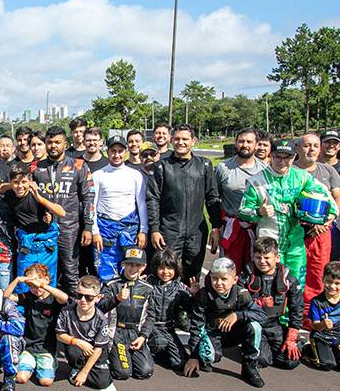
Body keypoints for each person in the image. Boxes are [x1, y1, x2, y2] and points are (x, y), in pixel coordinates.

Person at [238, 139, 336, 286]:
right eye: (278, 156)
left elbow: (328, 198)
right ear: (271, 156)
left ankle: (296, 309)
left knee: (297, 284)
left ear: (294, 157)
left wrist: (328, 216)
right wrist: (259, 211)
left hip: (296, 243)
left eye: (287, 157)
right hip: (269, 244)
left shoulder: (302, 177)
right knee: (272, 285)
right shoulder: (256, 181)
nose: (282, 161)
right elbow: (242, 211)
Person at [147, 124, 222, 283]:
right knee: (167, 273)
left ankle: (189, 306)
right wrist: (154, 229)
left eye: (185, 139)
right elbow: (153, 199)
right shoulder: (161, 166)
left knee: (193, 276)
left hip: (196, 231)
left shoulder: (205, 165)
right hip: (169, 230)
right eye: (177, 139)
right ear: (171, 140)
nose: (181, 142)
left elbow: (212, 198)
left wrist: (216, 227)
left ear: (193, 141)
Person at [184, 257, 267, 388]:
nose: (218, 283)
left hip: (233, 334)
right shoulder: (204, 295)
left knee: (254, 326)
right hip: (213, 334)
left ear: (234, 280)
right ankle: (205, 358)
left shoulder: (242, 294)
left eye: (224, 279)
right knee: (208, 356)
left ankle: (250, 368)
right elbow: (196, 325)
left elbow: (262, 316)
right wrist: (193, 356)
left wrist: (237, 315)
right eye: (215, 278)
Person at [34, 126, 93, 294]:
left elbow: (88, 198)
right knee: (44, 272)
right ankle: (46, 313)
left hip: (69, 228)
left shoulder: (79, 165)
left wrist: (88, 226)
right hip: (44, 229)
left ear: (66, 144)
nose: (53, 146)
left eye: (57, 142)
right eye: (50, 142)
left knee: (70, 272)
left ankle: (73, 310)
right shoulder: (36, 168)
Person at [294, 132, 340, 321]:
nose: (311, 149)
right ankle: (290, 313)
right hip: (295, 231)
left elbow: (338, 201)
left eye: (315, 145)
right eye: (307, 145)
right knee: (292, 272)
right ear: (298, 149)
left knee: (317, 273)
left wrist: (326, 222)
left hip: (321, 232)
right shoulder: (289, 171)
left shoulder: (328, 171)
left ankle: (311, 315)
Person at [239, 237, 302, 371]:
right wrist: (257, 303)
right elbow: (236, 304)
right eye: (258, 257)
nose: (262, 262)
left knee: (290, 362)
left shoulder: (288, 279)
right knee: (263, 360)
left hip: (275, 325)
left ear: (277, 257)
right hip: (254, 325)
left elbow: (297, 310)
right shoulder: (246, 277)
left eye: (266, 258)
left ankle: (300, 343)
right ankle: (250, 346)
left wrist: (291, 338)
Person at [91, 135, 148, 282]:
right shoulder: (98, 175)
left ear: (126, 151)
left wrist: (143, 231)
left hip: (129, 228)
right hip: (105, 228)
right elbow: (92, 205)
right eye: (113, 151)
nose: (116, 155)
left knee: (130, 267)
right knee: (105, 268)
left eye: (120, 151)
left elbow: (141, 204)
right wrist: (95, 231)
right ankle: (107, 300)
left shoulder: (135, 175)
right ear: (107, 152)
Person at [214, 128, 268, 273]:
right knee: (228, 270)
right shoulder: (223, 168)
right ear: (236, 143)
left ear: (256, 145)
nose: (245, 145)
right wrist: (215, 228)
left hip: (258, 229)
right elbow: (213, 199)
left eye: (249, 142)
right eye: (241, 141)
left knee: (256, 270)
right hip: (231, 229)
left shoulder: (265, 170)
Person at [5, 162, 65, 290]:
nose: (20, 186)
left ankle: (48, 309)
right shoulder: (9, 194)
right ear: (10, 182)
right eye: (16, 182)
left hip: (46, 244)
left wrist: (41, 199)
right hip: (26, 244)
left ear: (30, 181)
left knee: (46, 282)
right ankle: (23, 308)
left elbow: (62, 212)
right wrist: (8, 186)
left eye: (24, 182)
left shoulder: (37, 193)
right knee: (24, 283)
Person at [5, 264, 68, 387]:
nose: (35, 288)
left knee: (46, 382)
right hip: (29, 346)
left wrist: (43, 285)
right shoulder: (28, 297)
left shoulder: (53, 298)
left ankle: (46, 365)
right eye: (31, 286)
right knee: (21, 378)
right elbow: (6, 296)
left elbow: (64, 298)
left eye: (37, 285)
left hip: (46, 348)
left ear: (46, 279)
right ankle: (30, 364)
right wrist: (17, 280)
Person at [98, 246, 156, 380]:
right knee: (123, 373)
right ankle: (109, 355)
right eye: (129, 264)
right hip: (117, 332)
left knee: (145, 371)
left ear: (143, 267)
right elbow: (100, 308)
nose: (132, 268)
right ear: (124, 264)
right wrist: (116, 299)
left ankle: (132, 355)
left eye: (137, 265)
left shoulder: (147, 289)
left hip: (136, 333)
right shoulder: (111, 285)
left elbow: (151, 316)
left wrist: (143, 336)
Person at [57, 275, 113, 390]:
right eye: (79, 295)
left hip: (94, 351)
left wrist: (85, 372)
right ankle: (76, 367)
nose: (83, 300)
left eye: (88, 297)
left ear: (98, 298)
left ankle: (85, 369)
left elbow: (98, 349)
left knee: (102, 383)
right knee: (73, 351)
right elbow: (59, 335)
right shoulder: (66, 312)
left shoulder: (101, 319)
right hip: (77, 349)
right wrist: (77, 342)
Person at [305, 261, 340, 372]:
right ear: (323, 279)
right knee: (327, 364)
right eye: (329, 282)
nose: (332, 286)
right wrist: (323, 325)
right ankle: (307, 350)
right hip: (321, 337)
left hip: (338, 339)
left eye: (337, 283)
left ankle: (333, 353)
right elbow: (314, 326)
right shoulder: (317, 302)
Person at [144, 249, 192, 373]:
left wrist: (194, 296)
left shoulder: (179, 287)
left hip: (168, 328)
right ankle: (147, 349)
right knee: (159, 342)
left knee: (179, 363)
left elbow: (190, 307)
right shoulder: (148, 283)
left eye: (170, 268)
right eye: (161, 268)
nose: (165, 272)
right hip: (151, 326)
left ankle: (162, 354)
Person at [319, 130, 340, 262]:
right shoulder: (310, 166)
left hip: (339, 220)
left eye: (335, 143)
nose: (331, 145)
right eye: (327, 142)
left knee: (336, 262)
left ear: (339, 146)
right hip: (314, 220)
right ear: (321, 144)